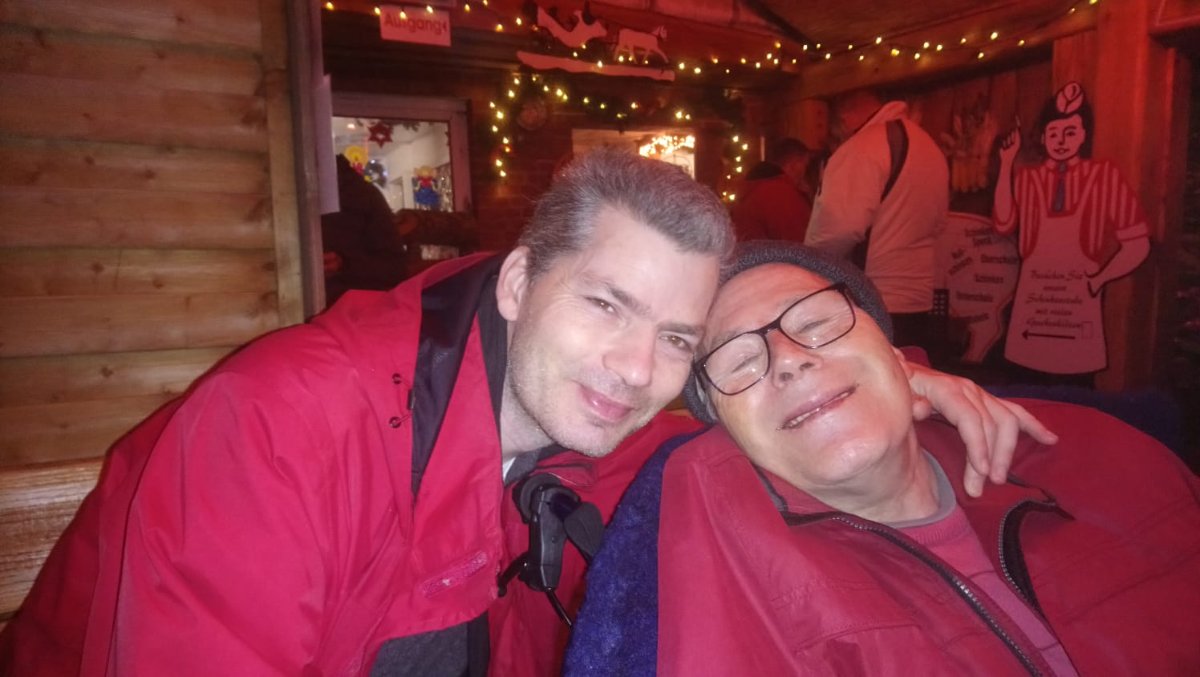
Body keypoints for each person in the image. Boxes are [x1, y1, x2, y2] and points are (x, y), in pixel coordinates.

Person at [1, 150, 1050, 677]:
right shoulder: (287, 426)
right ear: (515, 283)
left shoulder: (606, 418)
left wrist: (890, 379)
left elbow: (749, 404)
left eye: (674, 337)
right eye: (606, 304)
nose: (635, 368)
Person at [565, 241, 1199, 676]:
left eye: (818, 324)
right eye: (740, 360)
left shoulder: (1100, 455)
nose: (790, 360)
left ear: (902, 359)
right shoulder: (704, 522)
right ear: (723, 429)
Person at [993, 81, 1151, 379]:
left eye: (1070, 132)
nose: (1061, 141)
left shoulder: (1104, 176)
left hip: (1079, 318)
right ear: (1043, 137)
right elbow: (1003, 222)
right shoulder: (1028, 179)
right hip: (1033, 315)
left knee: (1077, 395)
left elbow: (1138, 243)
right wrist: (1006, 165)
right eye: (1054, 133)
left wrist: (1100, 279)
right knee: (1026, 392)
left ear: (1084, 135)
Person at [805, 89, 950, 348]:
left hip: (872, 297)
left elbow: (838, 229)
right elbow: (939, 224)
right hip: (918, 299)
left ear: (845, 116)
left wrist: (807, 268)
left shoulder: (862, 148)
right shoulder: (929, 147)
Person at [322, 153, 409, 304]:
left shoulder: (360, 194)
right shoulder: (360, 193)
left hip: (344, 304)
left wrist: (343, 264)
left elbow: (395, 268)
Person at [730, 137, 815, 242]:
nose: (805, 173)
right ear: (794, 164)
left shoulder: (751, 188)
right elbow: (799, 242)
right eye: (805, 165)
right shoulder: (782, 194)